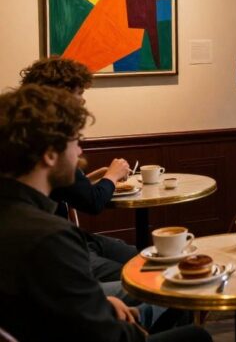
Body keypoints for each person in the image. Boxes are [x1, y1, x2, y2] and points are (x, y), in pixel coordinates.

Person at [0, 84, 212, 342]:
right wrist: (130, 326)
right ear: (49, 155)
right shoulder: (51, 238)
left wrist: (100, 303)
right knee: (195, 334)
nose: (79, 151)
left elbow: (36, 305)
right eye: (75, 141)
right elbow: (110, 336)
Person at [21, 57, 135, 282]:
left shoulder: (32, 132)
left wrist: (89, 178)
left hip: (69, 240)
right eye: (79, 93)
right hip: (58, 252)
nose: (82, 101)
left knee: (140, 257)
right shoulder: (47, 138)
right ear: (60, 94)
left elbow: (59, 190)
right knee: (149, 277)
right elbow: (92, 202)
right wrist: (112, 175)